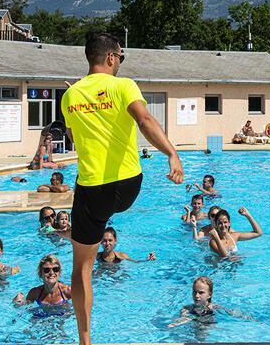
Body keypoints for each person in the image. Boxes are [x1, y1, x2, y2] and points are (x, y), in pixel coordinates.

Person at [61, 32, 184, 344]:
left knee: (81, 269)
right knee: (99, 233)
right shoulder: (122, 85)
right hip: (129, 186)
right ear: (112, 58)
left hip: (93, 191)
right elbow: (144, 121)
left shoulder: (70, 96)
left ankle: (85, 340)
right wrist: (172, 154)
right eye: (121, 58)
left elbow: (74, 140)